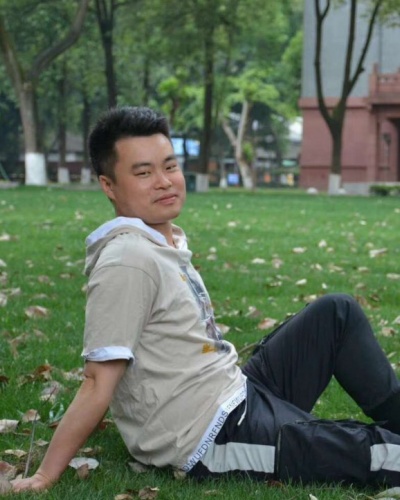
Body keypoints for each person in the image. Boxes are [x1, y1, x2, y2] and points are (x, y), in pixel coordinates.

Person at [9, 106, 400, 493]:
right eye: (143, 173)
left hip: (237, 392)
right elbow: (98, 380)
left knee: (336, 313)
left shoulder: (160, 239)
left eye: (169, 166)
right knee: (373, 451)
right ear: (109, 186)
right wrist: (44, 476)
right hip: (214, 437)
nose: (164, 182)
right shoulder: (128, 259)